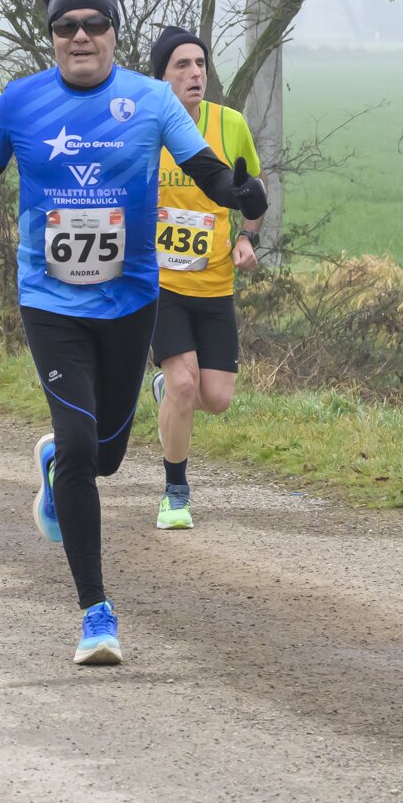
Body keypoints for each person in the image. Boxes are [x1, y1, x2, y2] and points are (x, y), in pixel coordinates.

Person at [0, 0, 267, 666]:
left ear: (114, 31)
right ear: (52, 35)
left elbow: (207, 170)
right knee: (84, 447)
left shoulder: (150, 100)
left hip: (132, 301)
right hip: (50, 302)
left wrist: (240, 194)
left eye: (94, 23)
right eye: (65, 26)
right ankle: (96, 614)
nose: (80, 36)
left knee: (105, 456)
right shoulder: (22, 101)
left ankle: (56, 461)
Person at [144, 26, 263, 530]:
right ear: (162, 78)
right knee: (185, 383)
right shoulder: (146, 127)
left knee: (215, 398)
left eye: (201, 64)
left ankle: (166, 390)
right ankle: (175, 493)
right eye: (182, 65)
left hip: (214, 283)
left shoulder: (229, 124)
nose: (196, 74)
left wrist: (247, 237)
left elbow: (253, 191)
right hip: (160, 285)